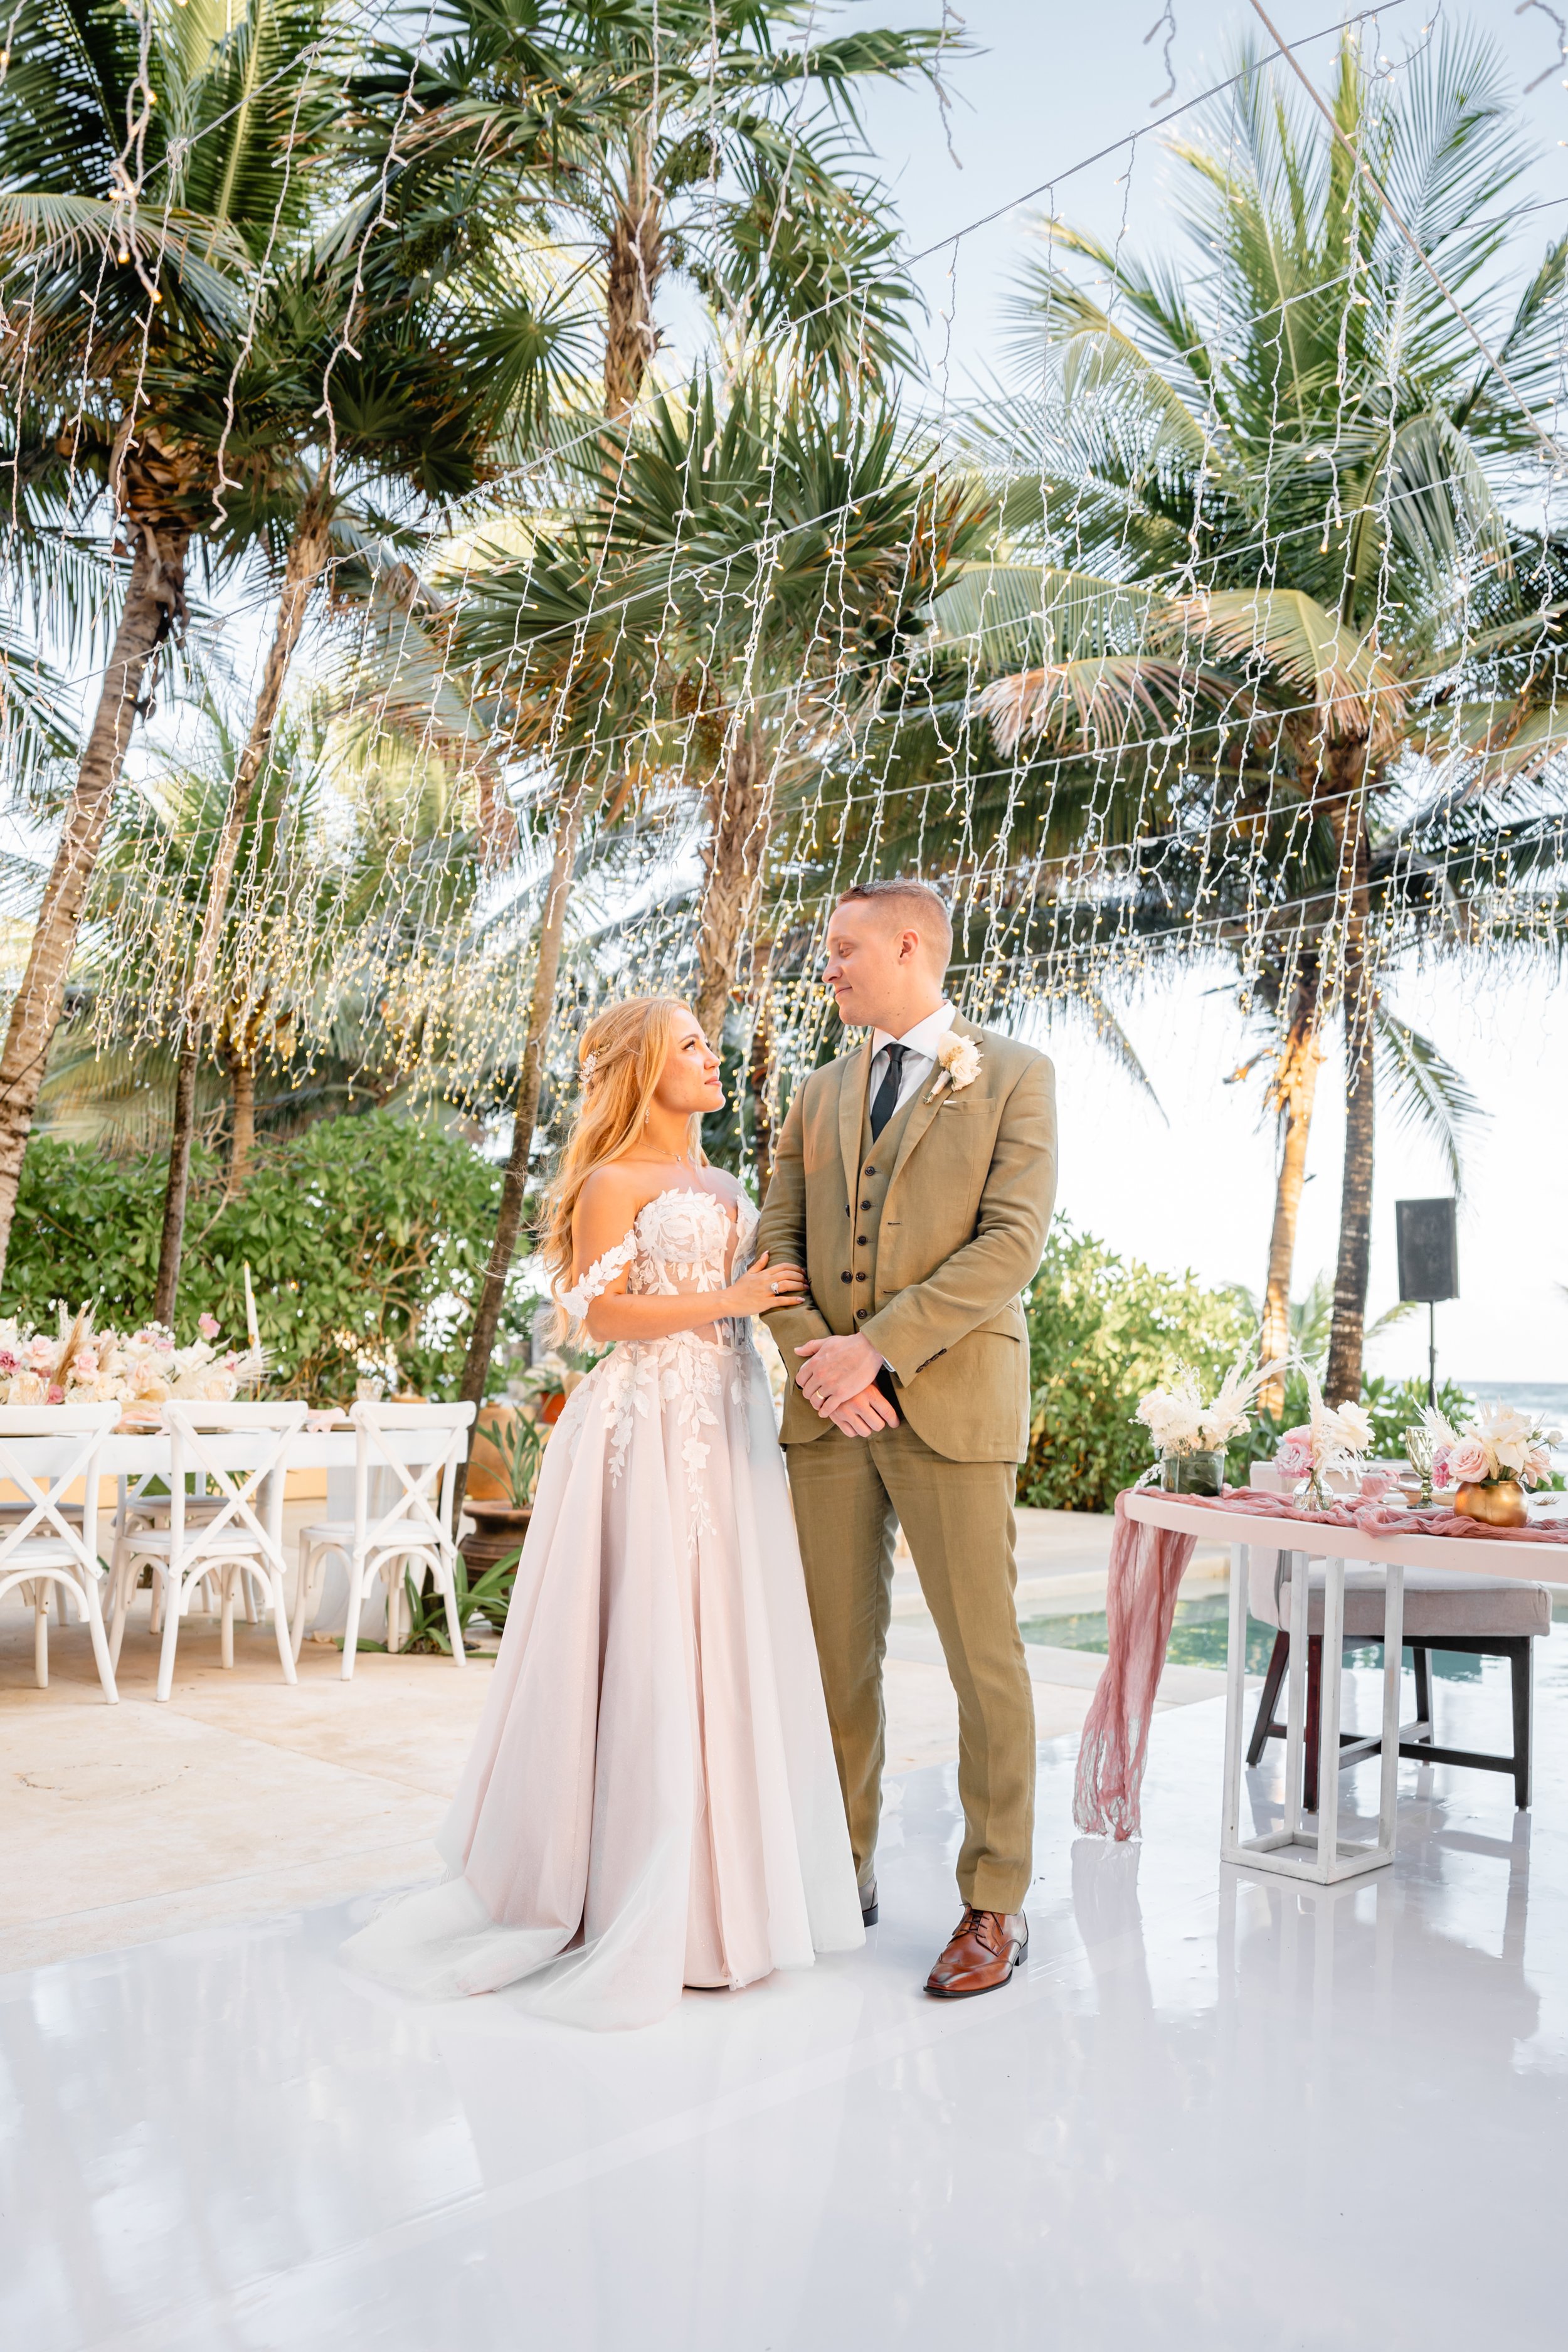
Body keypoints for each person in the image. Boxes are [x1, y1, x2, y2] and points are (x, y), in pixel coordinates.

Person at [343, 997, 864, 2029]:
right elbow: (597, 1315)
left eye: (709, 1044)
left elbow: (769, 1287)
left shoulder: (723, 1183)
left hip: (729, 1419)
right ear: (641, 1069)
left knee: (729, 1641)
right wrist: (734, 1300)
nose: (712, 1058)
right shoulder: (610, 1180)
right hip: (648, 1425)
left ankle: (732, 1905)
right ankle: (629, 1890)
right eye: (691, 1046)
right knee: (651, 1644)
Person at [756, 880, 1057, 1998]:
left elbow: (1011, 1245)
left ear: (910, 943)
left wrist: (875, 1346)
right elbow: (773, 1241)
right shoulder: (815, 1091)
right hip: (828, 1417)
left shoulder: (1018, 1074)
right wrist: (817, 1361)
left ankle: (994, 1902)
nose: (825, 964)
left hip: (953, 1401)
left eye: (842, 948)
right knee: (834, 1656)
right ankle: (841, 1872)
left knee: (986, 1660)